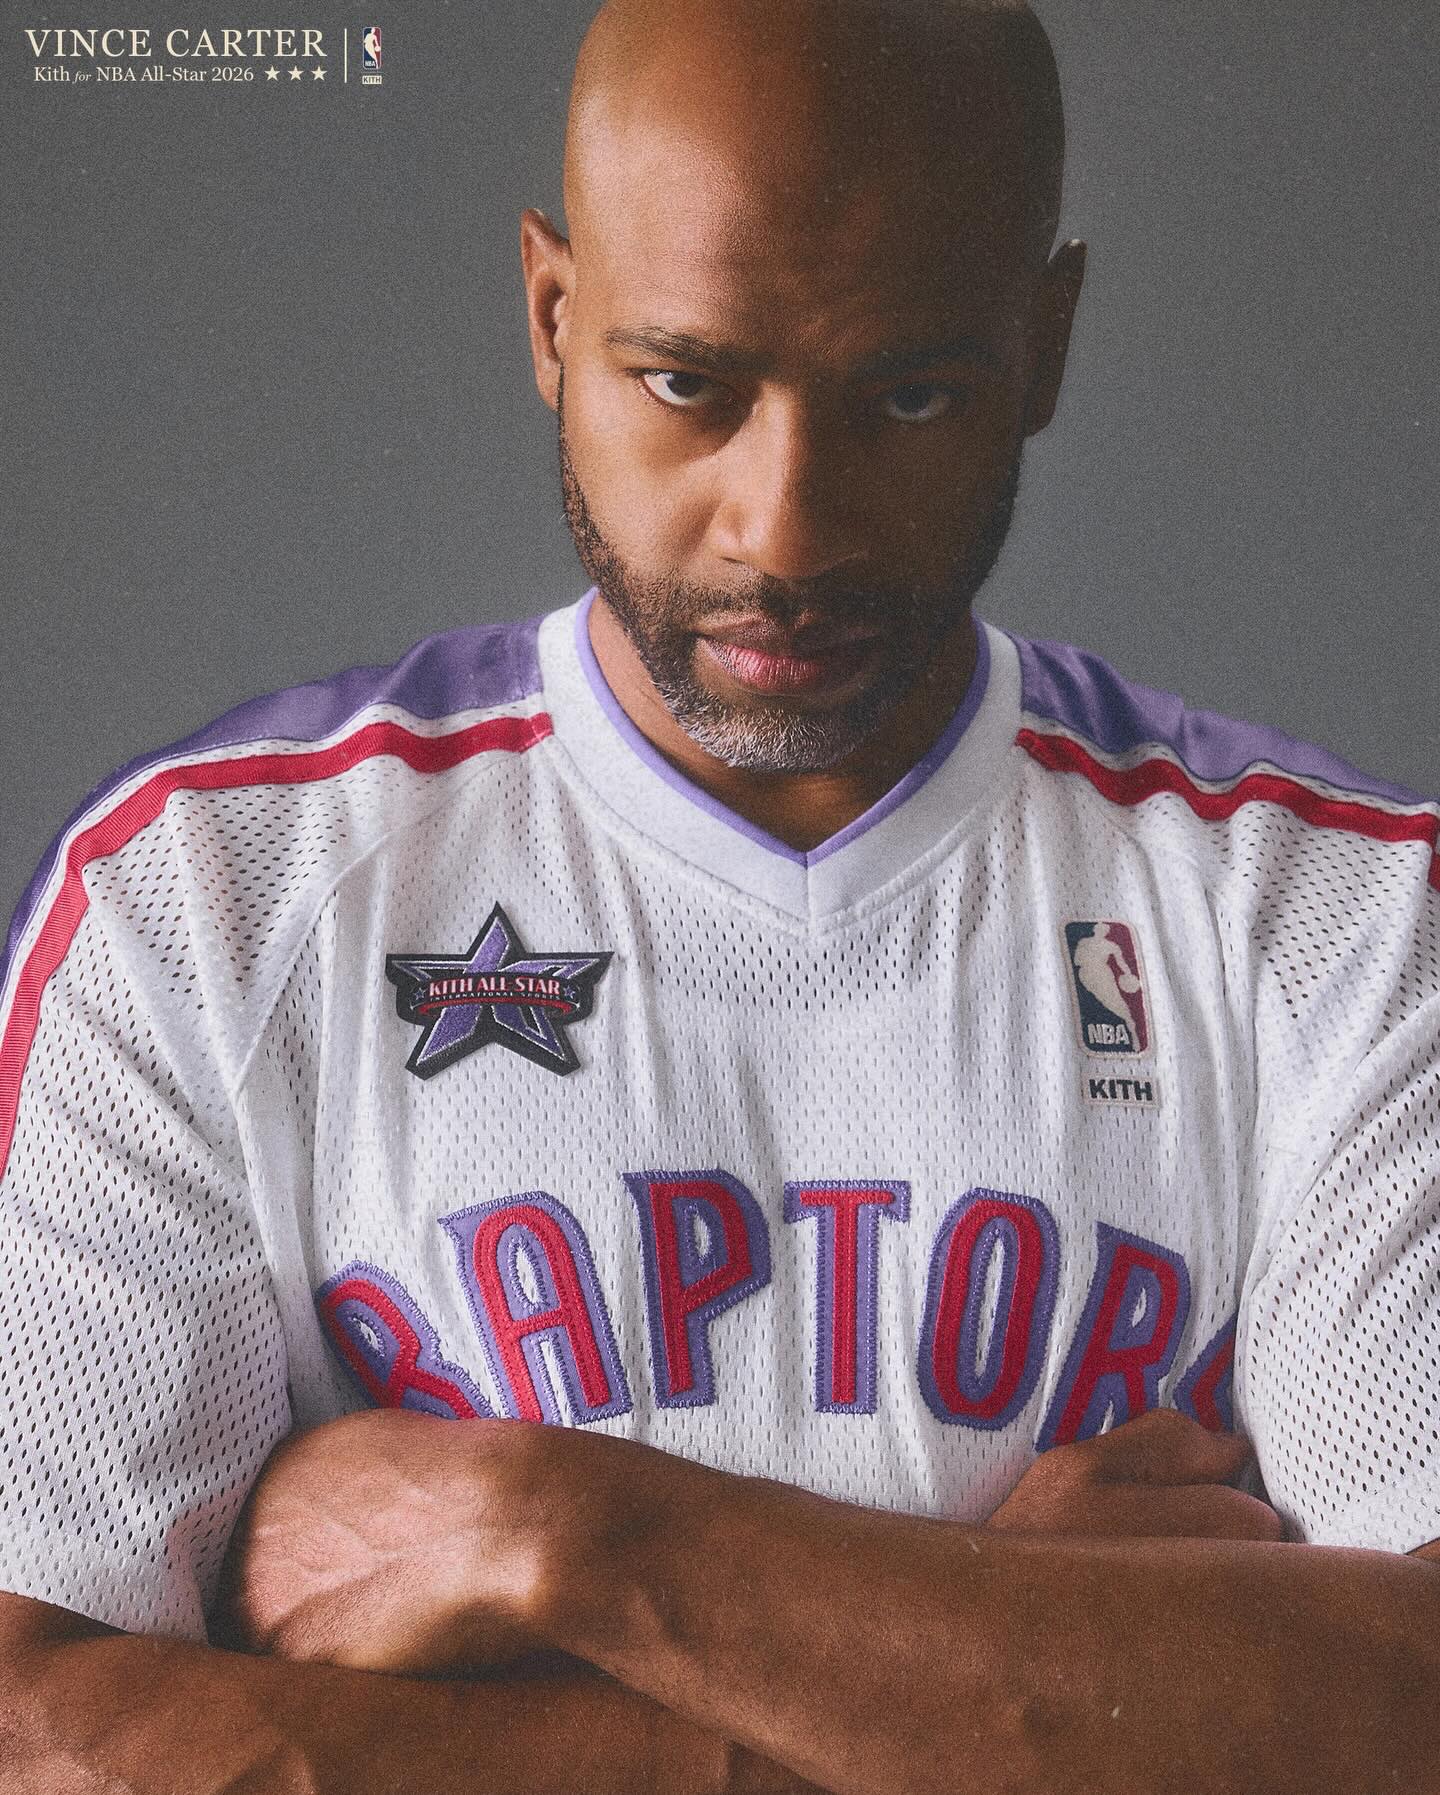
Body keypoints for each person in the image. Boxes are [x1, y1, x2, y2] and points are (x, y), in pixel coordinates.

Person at [2, 0, 1438, 1788]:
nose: (785, 526)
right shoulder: (206, 899)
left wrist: (564, 1532)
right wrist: (1015, 1665)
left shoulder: (1340, 922)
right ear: (552, 315)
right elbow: (43, 1737)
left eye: (910, 395)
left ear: (1046, 342)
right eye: (689, 383)